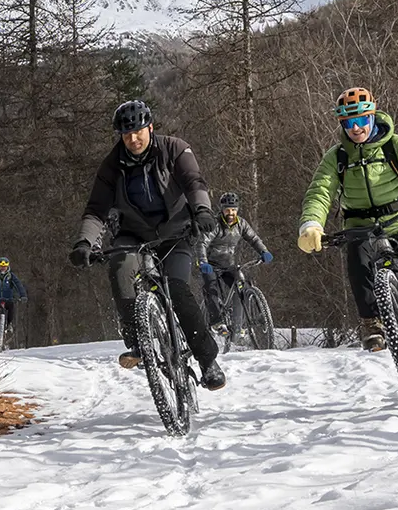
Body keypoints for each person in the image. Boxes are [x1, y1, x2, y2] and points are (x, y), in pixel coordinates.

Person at [296, 86, 398, 379]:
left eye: (362, 120)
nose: (357, 128)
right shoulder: (336, 158)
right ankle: (372, 322)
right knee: (358, 266)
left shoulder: (394, 145)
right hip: (359, 225)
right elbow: (320, 191)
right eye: (349, 123)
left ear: (373, 117)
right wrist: (311, 224)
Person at [71, 99, 228, 390]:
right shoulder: (112, 166)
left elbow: (194, 182)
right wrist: (84, 242)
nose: (133, 139)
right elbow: (96, 209)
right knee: (120, 272)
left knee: (178, 290)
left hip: (176, 233)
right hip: (132, 234)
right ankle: (138, 343)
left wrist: (202, 210)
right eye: (126, 134)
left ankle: (208, 362)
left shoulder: (174, 148)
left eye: (138, 132)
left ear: (150, 127)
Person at [198, 191, 271, 328]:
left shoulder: (241, 224)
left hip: (228, 265)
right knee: (211, 288)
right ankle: (216, 322)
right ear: (222, 210)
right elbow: (202, 243)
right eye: (227, 210)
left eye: (233, 210)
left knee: (243, 285)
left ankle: (252, 318)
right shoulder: (215, 224)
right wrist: (203, 261)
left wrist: (264, 251)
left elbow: (253, 239)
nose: (230, 213)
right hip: (210, 265)